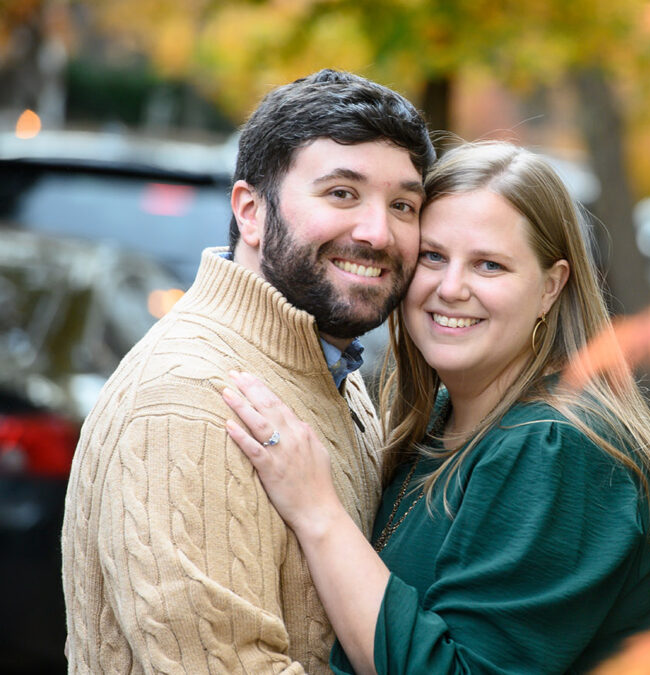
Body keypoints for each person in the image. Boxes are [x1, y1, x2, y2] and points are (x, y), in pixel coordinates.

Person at [221, 141, 650, 674]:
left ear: (551, 286)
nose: (451, 288)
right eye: (433, 256)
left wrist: (317, 511)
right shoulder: (439, 420)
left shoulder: (555, 446)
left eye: (489, 265)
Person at [61, 69, 435, 673]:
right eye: (342, 193)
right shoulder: (185, 401)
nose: (378, 232)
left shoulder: (328, 369)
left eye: (403, 205)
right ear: (252, 211)